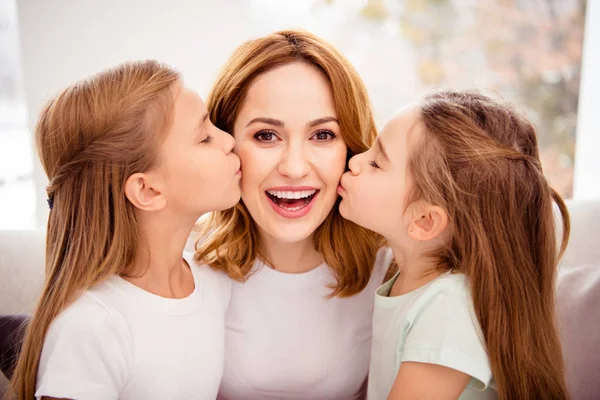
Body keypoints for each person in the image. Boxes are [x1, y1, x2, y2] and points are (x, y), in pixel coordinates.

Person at [10, 60, 241, 400]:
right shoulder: (91, 327)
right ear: (148, 191)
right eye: (205, 137)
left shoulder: (216, 281)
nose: (229, 141)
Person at [193, 30, 393, 400]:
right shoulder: (186, 262)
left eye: (322, 136)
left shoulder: (390, 270)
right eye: (267, 135)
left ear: (351, 148)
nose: (295, 168)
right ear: (225, 141)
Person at [338, 90, 570, 399]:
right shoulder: (410, 280)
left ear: (424, 221)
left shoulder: (447, 307)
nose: (355, 161)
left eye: (377, 163)